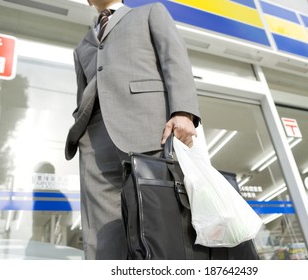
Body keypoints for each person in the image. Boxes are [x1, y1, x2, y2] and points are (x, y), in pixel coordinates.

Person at [64, 0, 200, 260]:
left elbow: (174, 58)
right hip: (95, 139)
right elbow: (83, 95)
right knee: (102, 230)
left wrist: (182, 111)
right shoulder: (82, 46)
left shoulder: (150, 12)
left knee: (160, 220)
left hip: (148, 127)